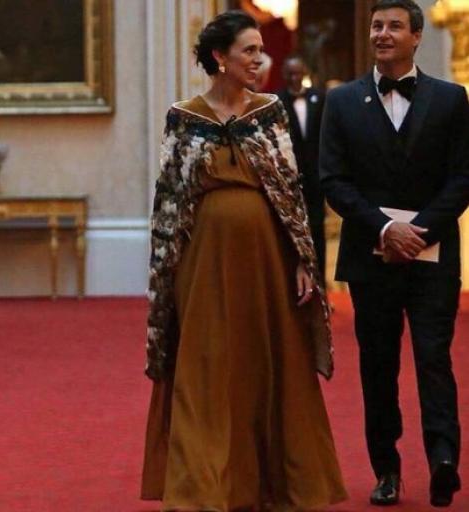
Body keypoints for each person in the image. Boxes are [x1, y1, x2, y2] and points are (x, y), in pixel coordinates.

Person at [141, 10, 347, 511]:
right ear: (220, 57)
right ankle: (201, 490)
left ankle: (271, 483)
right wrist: (166, 277)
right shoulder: (182, 117)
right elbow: (168, 201)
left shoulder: (271, 112)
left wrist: (302, 260)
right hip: (203, 265)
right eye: (249, 51)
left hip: (266, 262)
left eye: (260, 50)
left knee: (264, 364)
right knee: (206, 367)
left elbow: (292, 194)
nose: (260, 60)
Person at [319, 0, 469, 507]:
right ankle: (387, 469)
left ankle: (444, 460)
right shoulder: (341, 103)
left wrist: (420, 230)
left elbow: (462, 177)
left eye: (394, 26)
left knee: (434, 358)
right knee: (377, 367)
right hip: (370, 256)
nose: (383, 33)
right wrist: (385, 229)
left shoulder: (452, 100)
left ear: (417, 35)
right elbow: (332, 180)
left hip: (433, 257)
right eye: (377, 26)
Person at [277, 56, 327, 286]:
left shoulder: (319, 98)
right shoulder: (276, 103)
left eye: (298, 73)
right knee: (290, 233)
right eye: (290, 74)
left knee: (317, 231)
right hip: (289, 179)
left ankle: (320, 283)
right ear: (284, 75)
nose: (295, 78)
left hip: (316, 178)